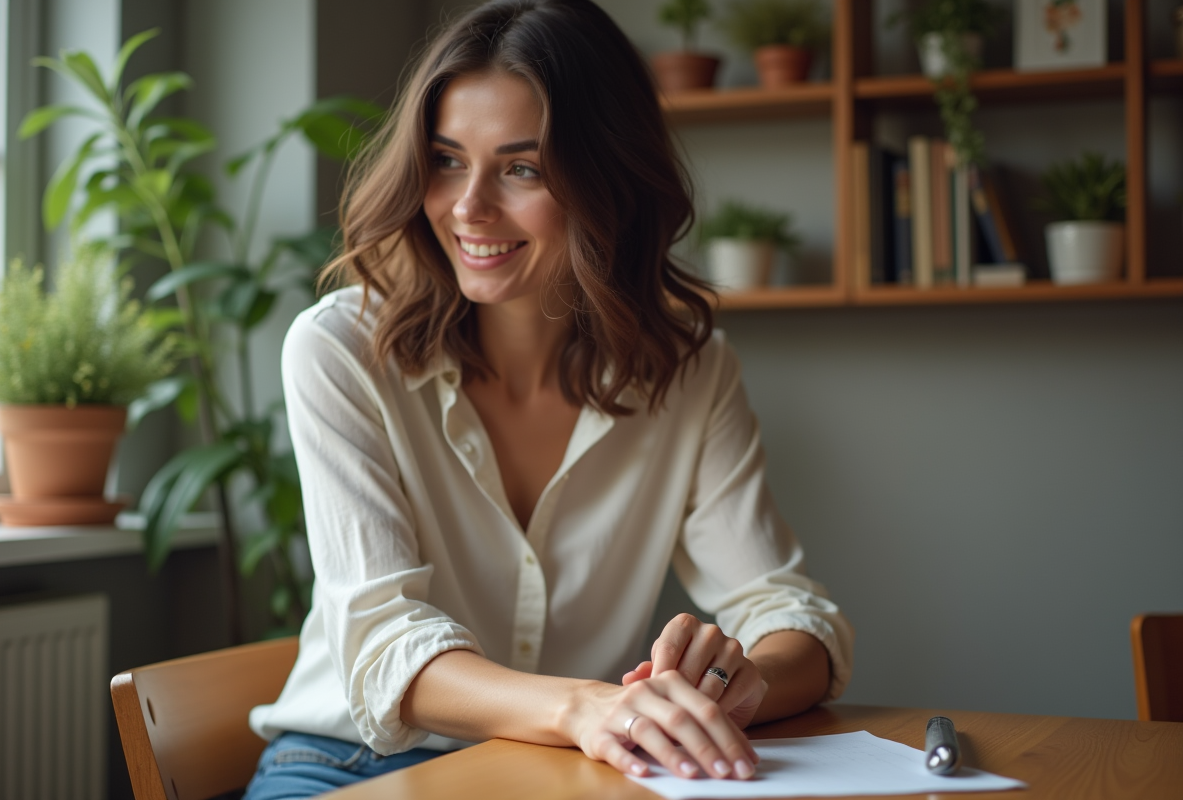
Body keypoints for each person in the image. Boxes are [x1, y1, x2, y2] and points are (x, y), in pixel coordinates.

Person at [244, 1, 853, 797]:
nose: (468, 206)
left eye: (521, 168)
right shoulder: (341, 351)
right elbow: (385, 644)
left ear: (608, 180)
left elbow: (788, 609)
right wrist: (589, 711)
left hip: (564, 772)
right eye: (447, 159)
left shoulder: (692, 371)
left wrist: (743, 682)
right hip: (345, 767)